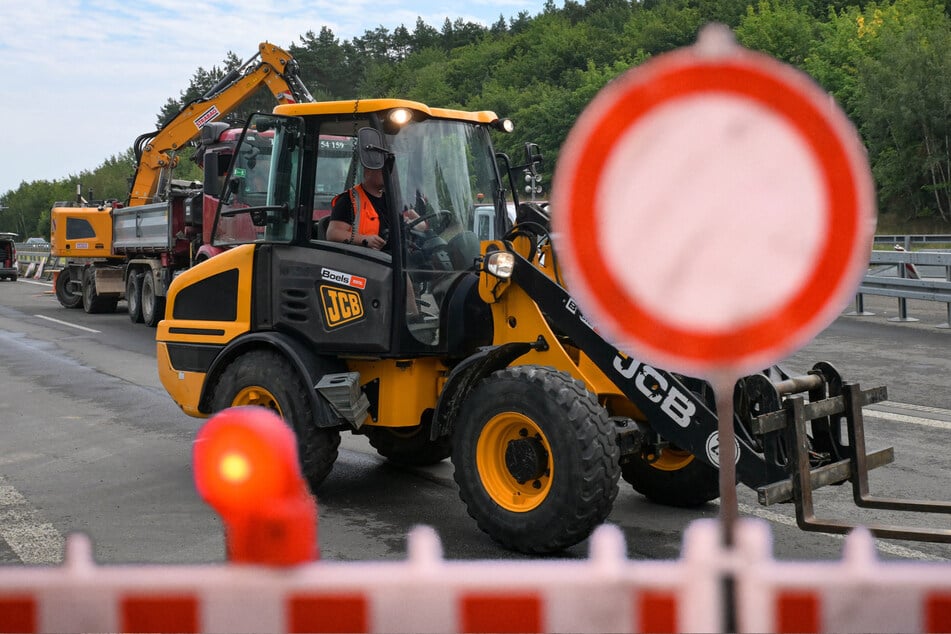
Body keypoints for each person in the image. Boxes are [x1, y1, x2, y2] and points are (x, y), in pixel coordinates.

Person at [326, 129, 424, 250]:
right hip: (367, 260)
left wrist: (410, 223)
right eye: (382, 169)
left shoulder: (393, 199)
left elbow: (422, 224)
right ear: (368, 171)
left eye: (389, 169)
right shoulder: (348, 200)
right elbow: (333, 233)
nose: (389, 173)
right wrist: (364, 240)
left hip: (396, 258)